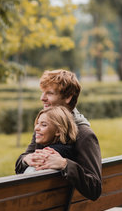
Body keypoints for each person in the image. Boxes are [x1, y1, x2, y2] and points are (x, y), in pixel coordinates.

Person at [15, 69, 102, 201]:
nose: (42, 98)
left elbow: (94, 188)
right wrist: (27, 159)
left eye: (49, 93)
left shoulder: (84, 134)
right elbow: (20, 164)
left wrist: (64, 164)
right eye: (42, 92)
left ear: (68, 97)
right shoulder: (46, 127)